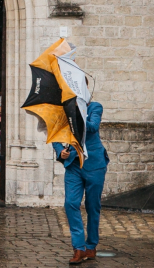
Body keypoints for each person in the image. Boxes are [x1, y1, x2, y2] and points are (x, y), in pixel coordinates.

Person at [53, 101, 109, 265]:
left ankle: (91, 246)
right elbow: (56, 134)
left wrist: (77, 114)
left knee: (93, 206)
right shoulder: (63, 110)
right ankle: (78, 248)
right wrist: (60, 151)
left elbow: (92, 127)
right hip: (74, 165)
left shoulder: (95, 107)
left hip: (94, 165)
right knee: (70, 203)